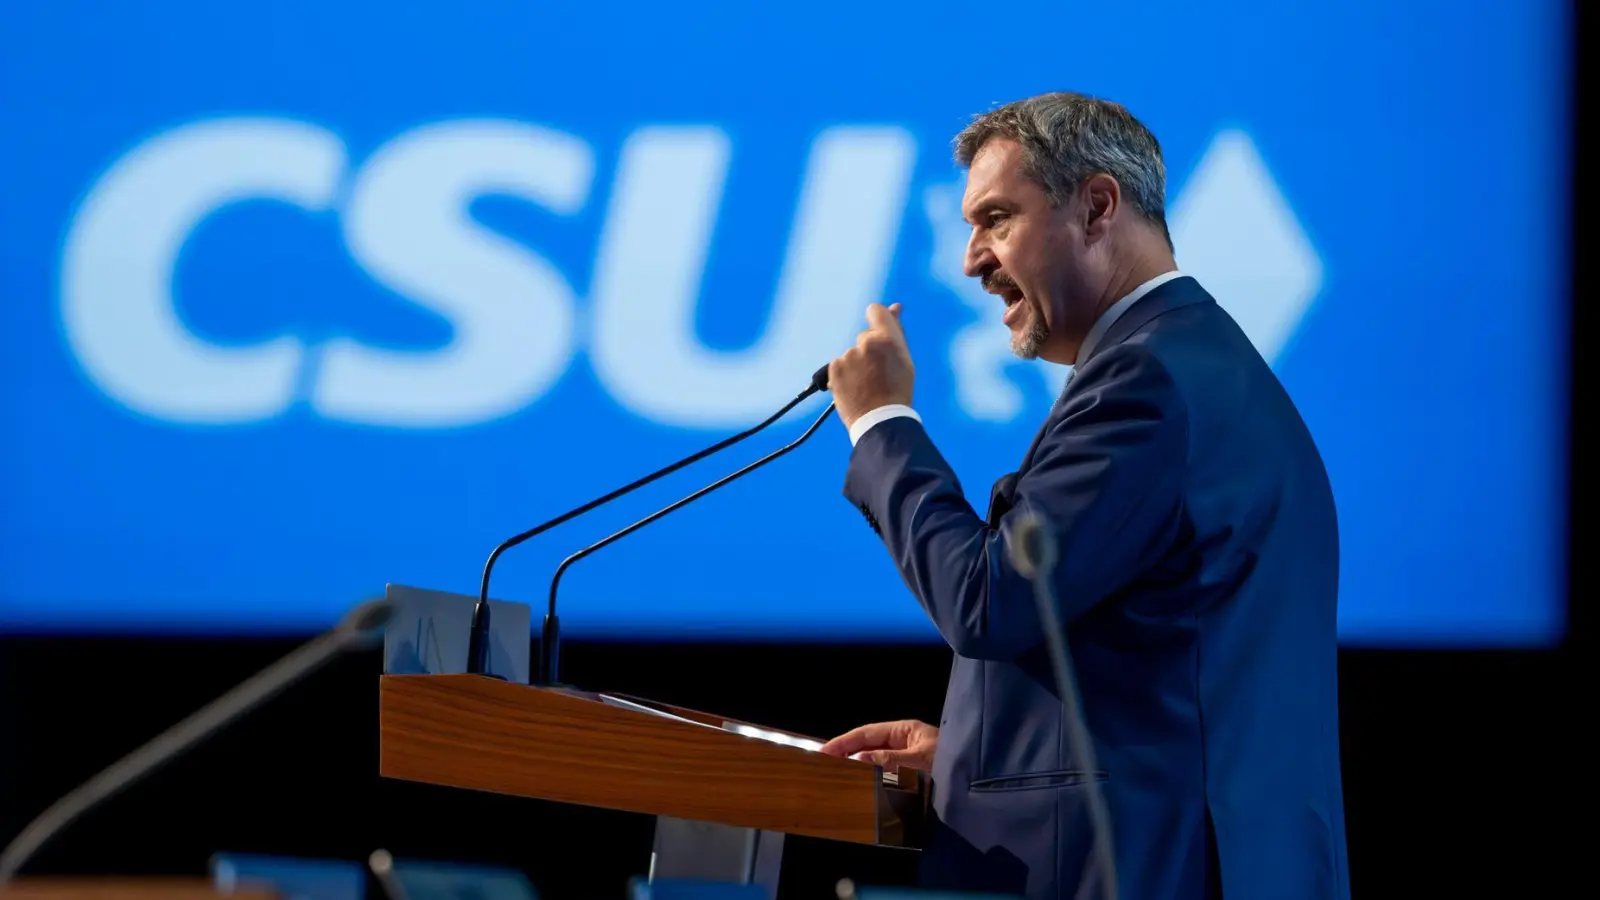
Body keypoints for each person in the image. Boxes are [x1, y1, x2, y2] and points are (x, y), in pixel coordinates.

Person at [819, 93, 1349, 900]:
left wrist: (883, 422)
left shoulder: (1148, 382)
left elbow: (989, 600)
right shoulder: (1196, 364)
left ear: (1098, 206)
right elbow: (1162, 665)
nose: (971, 259)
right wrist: (970, 754)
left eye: (996, 218)